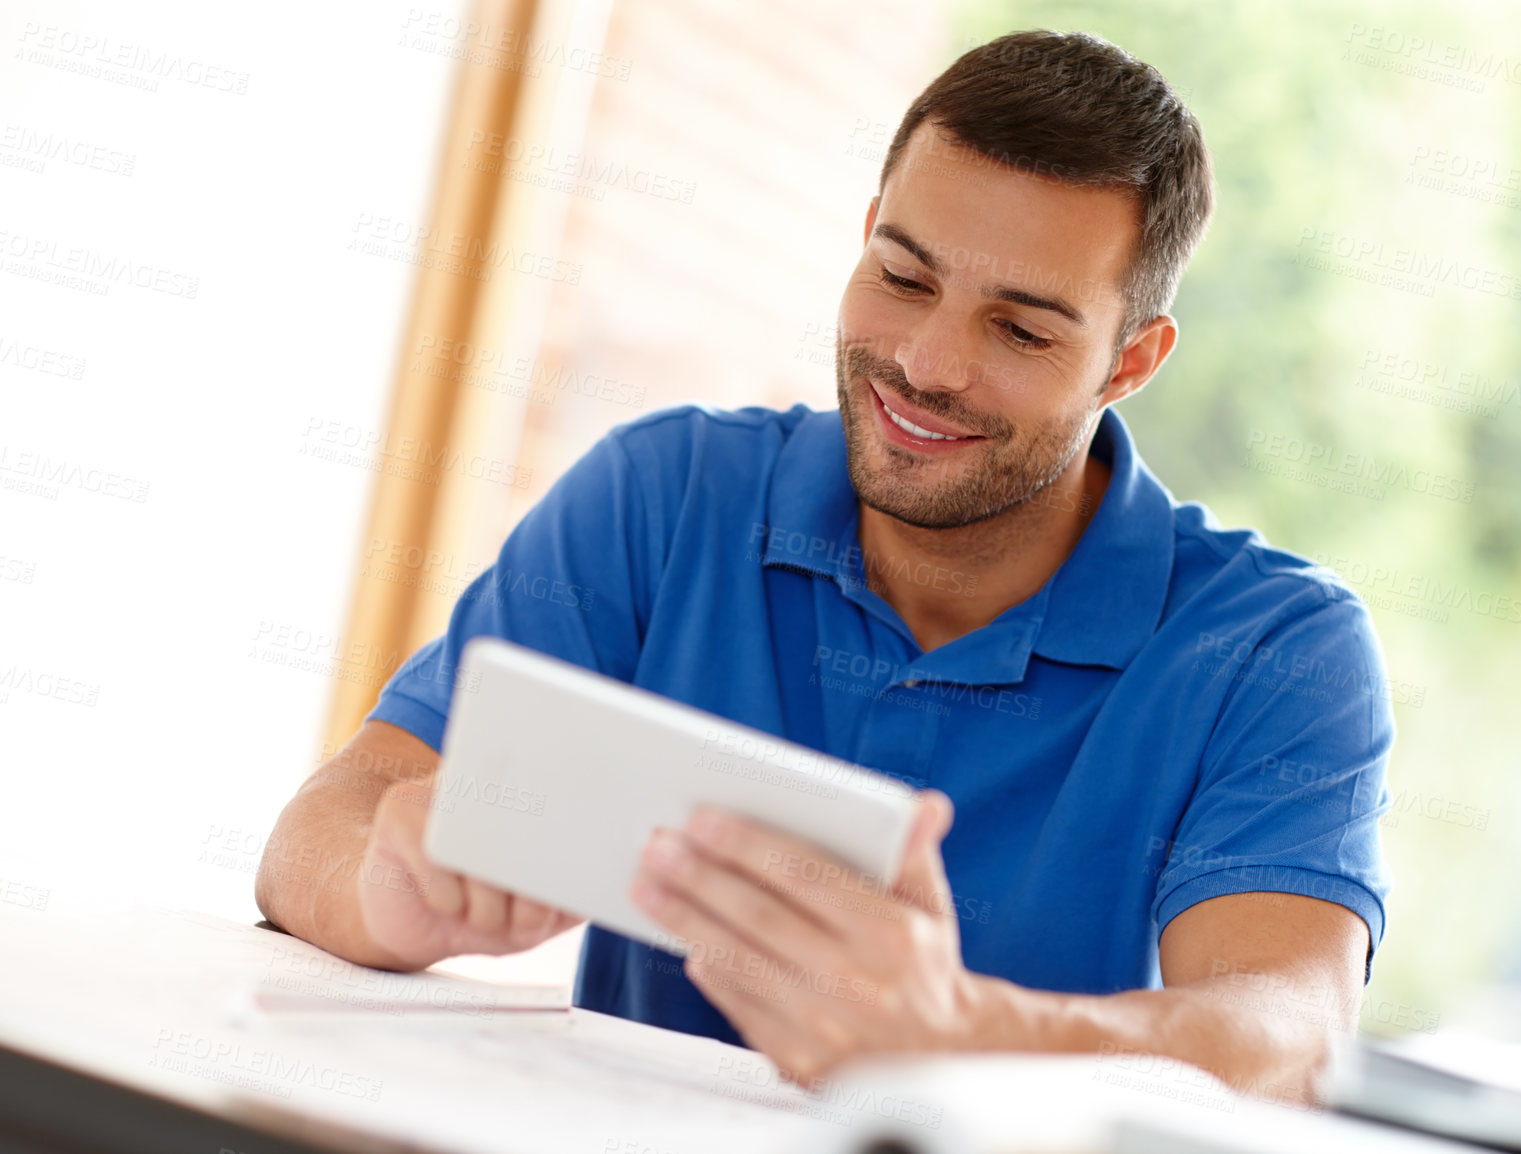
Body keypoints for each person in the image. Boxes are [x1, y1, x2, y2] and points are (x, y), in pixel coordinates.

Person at [257, 28, 1393, 1104]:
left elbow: (1289, 1032)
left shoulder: (1272, 649)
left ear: (1129, 361)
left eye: (1021, 331)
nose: (925, 362)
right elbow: (324, 825)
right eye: (903, 277)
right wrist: (383, 893)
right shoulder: (663, 497)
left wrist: (960, 1029)